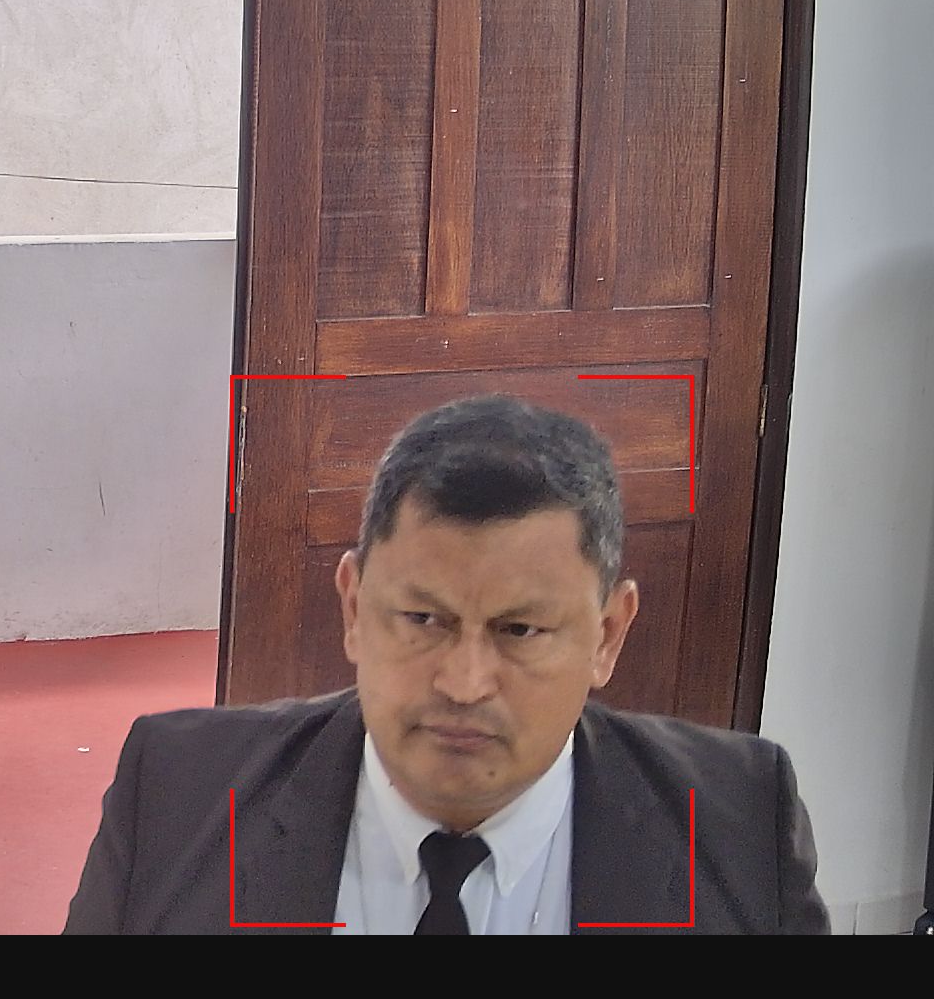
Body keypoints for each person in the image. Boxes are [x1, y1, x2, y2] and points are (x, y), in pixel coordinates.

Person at [64, 394, 828, 934]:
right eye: (423, 620)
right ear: (353, 607)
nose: (463, 683)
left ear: (607, 636)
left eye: (520, 631)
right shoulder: (179, 795)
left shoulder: (737, 823)